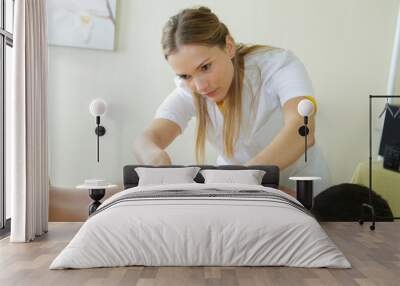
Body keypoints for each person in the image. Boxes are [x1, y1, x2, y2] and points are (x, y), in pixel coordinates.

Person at [133, 6, 330, 195]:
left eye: (205, 67)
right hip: (236, 189)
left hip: (300, 185)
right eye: (185, 76)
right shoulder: (189, 89)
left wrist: (243, 178)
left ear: (228, 46)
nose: (200, 87)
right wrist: (154, 157)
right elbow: (146, 139)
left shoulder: (278, 65)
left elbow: (302, 130)